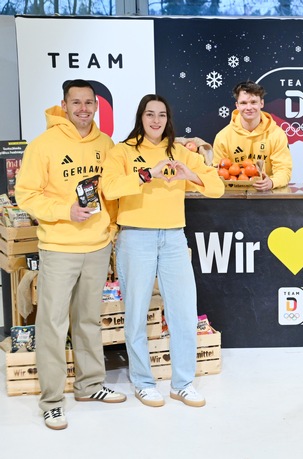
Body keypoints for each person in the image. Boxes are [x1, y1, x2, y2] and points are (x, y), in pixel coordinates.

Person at [15, 79, 126, 431]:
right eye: (75, 102)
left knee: (88, 320)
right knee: (52, 324)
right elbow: (26, 194)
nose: (83, 109)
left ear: (96, 106)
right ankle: (51, 402)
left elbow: (110, 193)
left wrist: (110, 229)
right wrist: (66, 211)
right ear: (64, 105)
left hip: (97, 247)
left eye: (88, 102)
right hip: (59, 248)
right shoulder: (43, 144)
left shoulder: (106, 144)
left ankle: (90, 385)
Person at [102, 94, 225, 408]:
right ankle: (143, 383)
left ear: (168, 119)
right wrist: (148, 173)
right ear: (140, 118)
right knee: (136, 313)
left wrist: (189, 175)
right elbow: (110, 188)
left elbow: (217, 187)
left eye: (161, 115)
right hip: (135, 237)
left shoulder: (181, 152)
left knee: (183, 313)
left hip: (173, 238)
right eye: (149, 114)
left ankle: (182, 384)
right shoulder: (123, 151)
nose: (155, 120)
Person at [212, 80, 292, 191]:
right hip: (233, 195)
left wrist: (272, 182)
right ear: (237, 105)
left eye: (253, 102)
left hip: (267, 194)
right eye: (243, 103)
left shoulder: (277, 134)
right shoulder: (223, 137)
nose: (249, 107)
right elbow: (218, 171)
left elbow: (284, 169)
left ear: (261, 103)